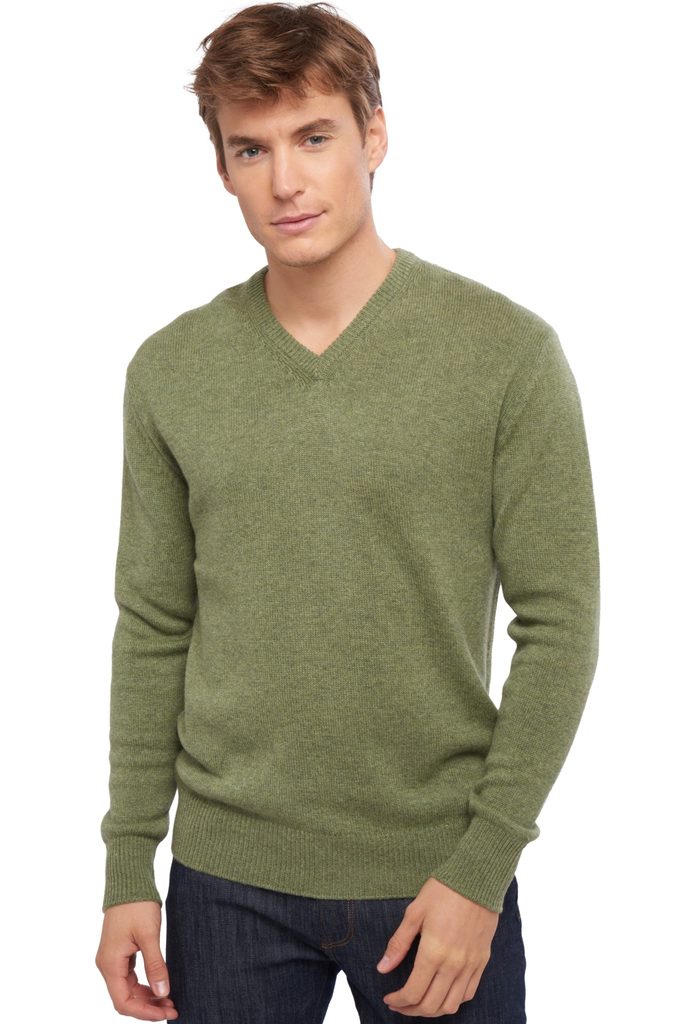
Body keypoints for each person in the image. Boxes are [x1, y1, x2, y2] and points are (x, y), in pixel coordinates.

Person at [95, 3, 600, 1021]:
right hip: (224, 881)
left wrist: (482, 867)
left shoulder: (504, 354)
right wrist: (126, 865)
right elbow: (153, 626)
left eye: (313, 137)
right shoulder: (172, 371)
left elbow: (559, 623)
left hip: (436, 879)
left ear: (374, 136)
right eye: (251, 148)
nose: (284, 180)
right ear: (222, 167)